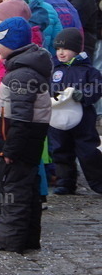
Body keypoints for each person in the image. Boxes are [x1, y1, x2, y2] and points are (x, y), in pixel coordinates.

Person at [0, 17, 52, 253]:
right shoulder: (24, 70)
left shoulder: (21, 75)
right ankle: (28, 237)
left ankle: (8, 239)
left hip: (17, 145)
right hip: (24, 142)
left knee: (14, 191)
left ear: (12, 44)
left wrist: (10, 149)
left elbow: (21, 119)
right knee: (27, 188)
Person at [48, 28, 102, 195]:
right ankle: (65, 182)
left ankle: (98, 182)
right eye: (58, 49)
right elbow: (47, 89)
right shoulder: (54, 69)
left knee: (88, 151)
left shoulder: (88, 71)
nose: (61, 52)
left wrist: (83, 94)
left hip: (83, 118)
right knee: (60, 150)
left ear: (77, 49)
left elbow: (97, 88)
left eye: (65, 48)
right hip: (58, 117)